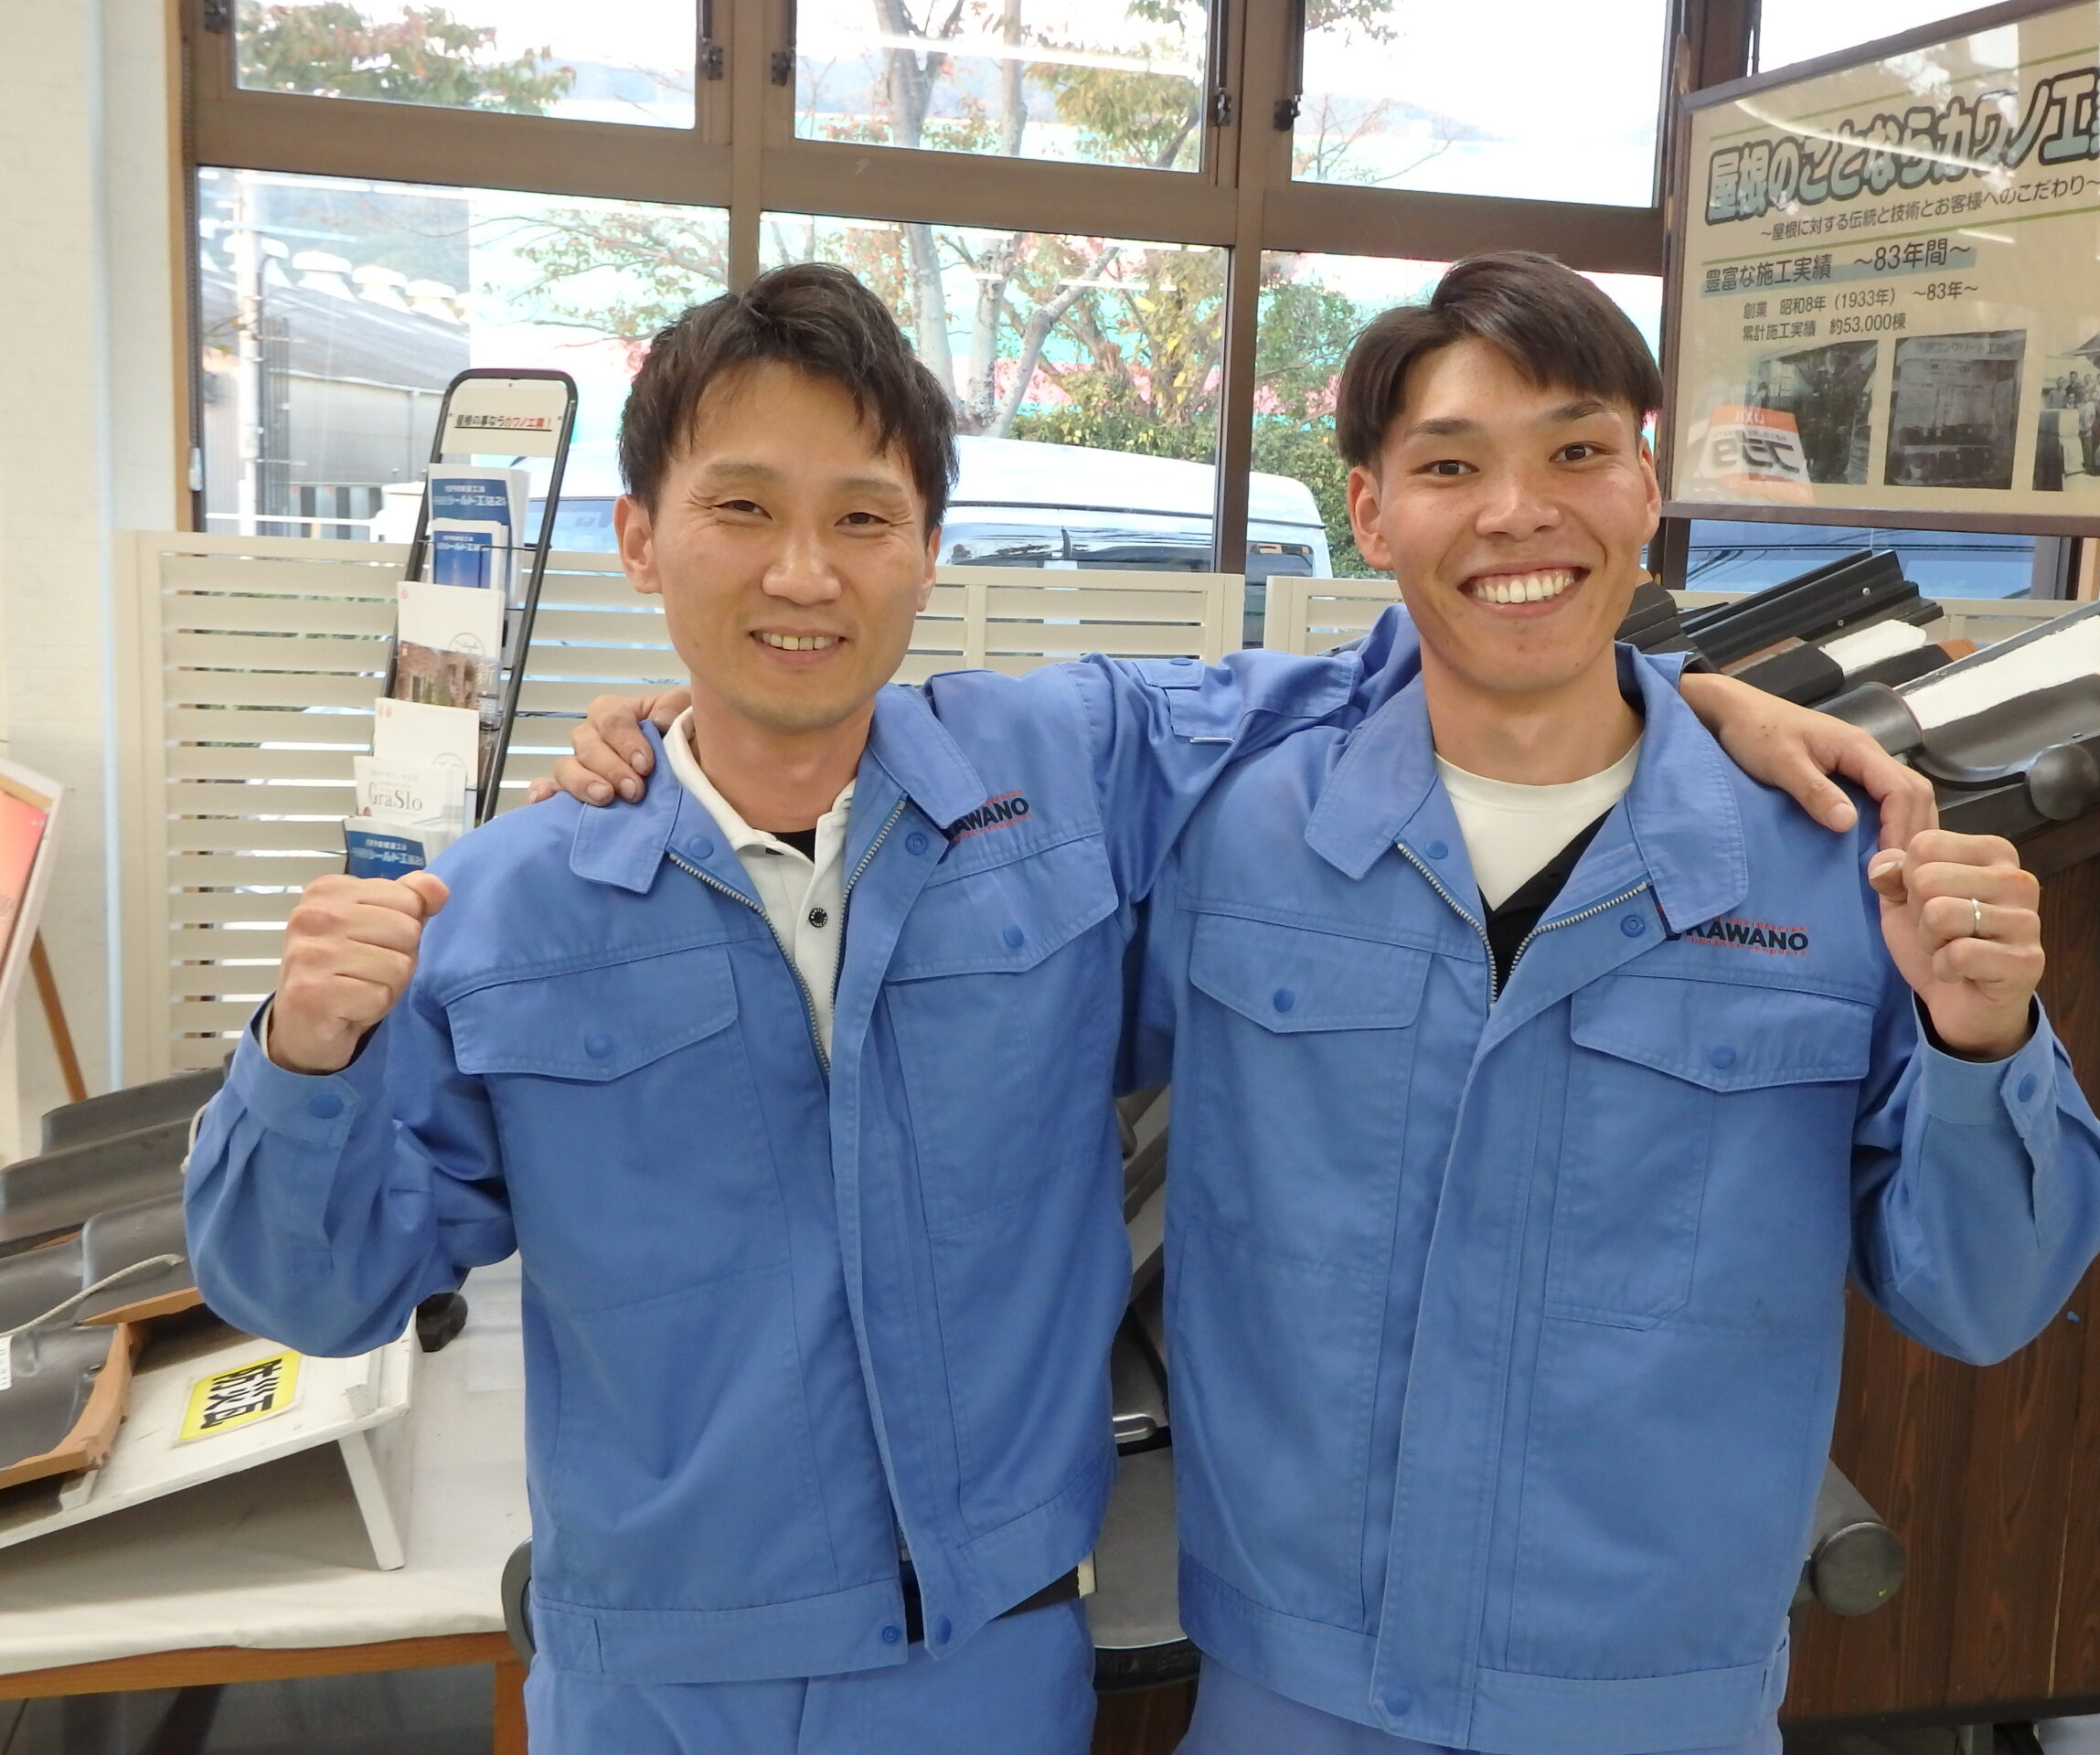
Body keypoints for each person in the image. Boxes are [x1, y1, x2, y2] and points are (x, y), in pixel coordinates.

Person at [257, 261, 1914, 1754]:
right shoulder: (510, 903)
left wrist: (1694, 705)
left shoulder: (1068, 778)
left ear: (928, 548)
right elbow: (323, 1293)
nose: (803, 574)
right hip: (659, 1678)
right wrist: (299, 1061)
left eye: (862, 517)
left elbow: (1428, 667)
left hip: (983, 1663)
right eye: (741, 510)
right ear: (638, 536)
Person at [1112, 255, 2100, 1755]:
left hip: (1654, 1698)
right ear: (1372, 513)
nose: (1518, 512)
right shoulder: (1237, 833)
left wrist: (1983, 1042)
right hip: (1293, 1682)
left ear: (1647, 486)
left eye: (1577, 451)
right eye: (1451, 466)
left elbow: (1981, 1303)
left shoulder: (1837, 865)